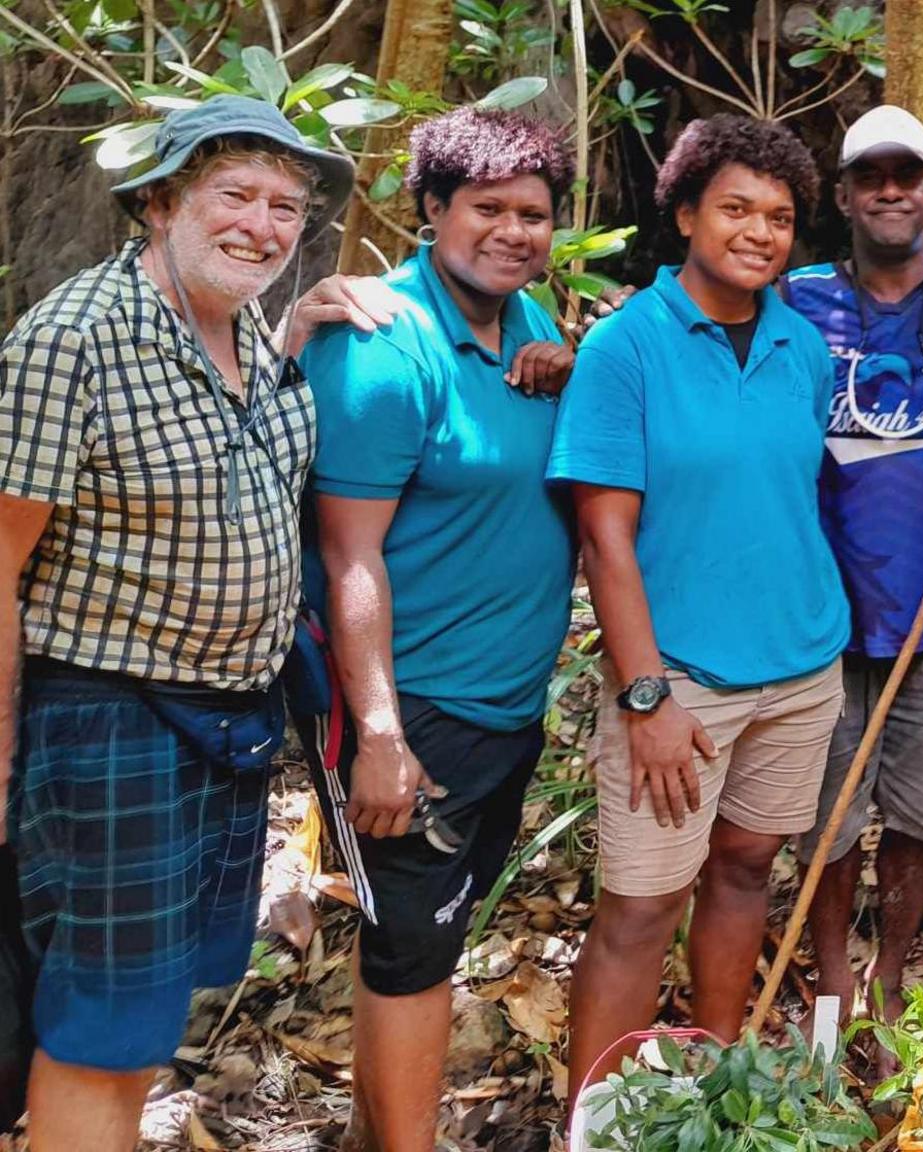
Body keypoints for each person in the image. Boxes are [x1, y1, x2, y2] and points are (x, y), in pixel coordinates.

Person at [0, 95, 354, 1151]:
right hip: (109, 720)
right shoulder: (75, 337)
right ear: (158, 200)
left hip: (225, 725)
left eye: (285, 205)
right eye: (234, 195)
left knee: (149, 1020)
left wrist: (303, 326)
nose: (263, 224)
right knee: (97, 1032)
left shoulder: (247, 326)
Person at [294, 106, 577, 1152]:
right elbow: (345, 555)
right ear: (430, 210)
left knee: (421, 940)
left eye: (535, 214)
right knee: (412, 947)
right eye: (488, 209)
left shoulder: (534, 323)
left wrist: (572, 362)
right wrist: (379, 736)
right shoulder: (380, 342)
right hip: (410, 705)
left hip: (503, 704)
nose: (513, 232)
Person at [551, 114, 849, 1088]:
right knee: (639, 907)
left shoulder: (802, 348)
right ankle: (594, 1121)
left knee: (744, 868)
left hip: (800, 670)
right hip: (678, 680)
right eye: (735, 209)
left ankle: (712, 1094)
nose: (760, 231)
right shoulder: (625, 348)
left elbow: (787, 493)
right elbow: (604, 537)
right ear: (684, 214)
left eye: (778, 215)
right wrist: (645, 698)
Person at [782, 105, 923, 1037]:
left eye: (910, 174)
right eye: (872, 176)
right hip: (819, 611)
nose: (893, 190)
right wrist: (563, 353)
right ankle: (832, 977)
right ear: (842, 195)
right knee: (823, 812)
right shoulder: (791, 298)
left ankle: (892, 976)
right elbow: (680, 331)